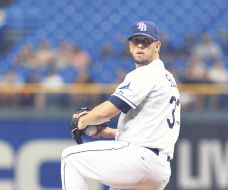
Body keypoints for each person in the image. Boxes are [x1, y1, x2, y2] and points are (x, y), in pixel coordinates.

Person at [61, 20, 181, 190]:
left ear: (157, 46)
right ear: (130, 46)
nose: (140, 45)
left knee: (70, 158)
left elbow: (106, 113)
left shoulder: (145, 73)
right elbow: (153, 126)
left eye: (146, 41)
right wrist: (112, 133)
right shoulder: (168, 78)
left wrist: (83, 120)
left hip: (139, 159)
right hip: (158, 169)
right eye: (136, 41)